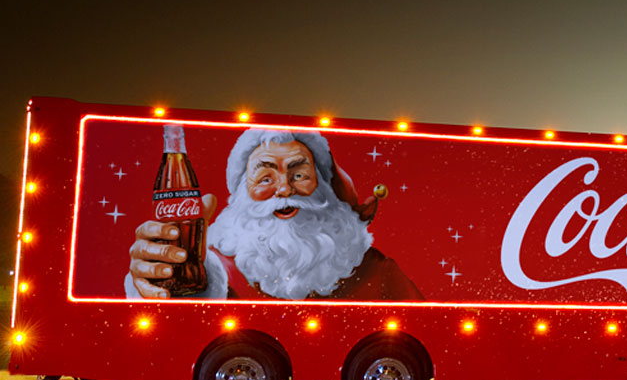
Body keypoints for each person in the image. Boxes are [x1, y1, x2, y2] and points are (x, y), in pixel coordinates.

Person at [126, 128, 422, 301]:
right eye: (265, 177)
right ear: (242, 192)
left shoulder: (377, 271)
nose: (284, 189)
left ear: (324, 187)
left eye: (299, 174)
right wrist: (156, 282)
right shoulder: (214, 269)